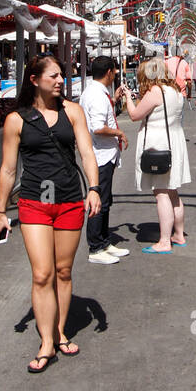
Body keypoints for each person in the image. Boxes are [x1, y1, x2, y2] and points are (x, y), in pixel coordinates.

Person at [0, 55, 101, 372]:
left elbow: (86, 152)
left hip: (69, 200)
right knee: (42, 273)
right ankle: (46, 343)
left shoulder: (73, 112)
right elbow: (8, 169)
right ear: (34, 79)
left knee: (63, 271)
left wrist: (93, 188)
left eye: (62, 75)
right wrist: (1, 211)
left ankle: (59, 331)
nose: (60, 80)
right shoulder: (17, 119)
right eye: (53, 76)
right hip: (33, 202)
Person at [118, 58, 190, 254]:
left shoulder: (155, 91)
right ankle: (179, 234)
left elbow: (134, 115)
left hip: (158, 143)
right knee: (173, 191)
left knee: (161, 193)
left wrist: (128, 97)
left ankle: (164, 241)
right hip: (174, 141)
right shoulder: (175, 91)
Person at [79, 55, 130, 264]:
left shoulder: (97, 93)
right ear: (109, 72)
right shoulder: (97, 95)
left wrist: (115, 100)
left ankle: (103, 241)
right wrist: (118, 132)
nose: (116, 74)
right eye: (115, 71)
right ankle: (96, 246)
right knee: (99, 201)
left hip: (103, 154)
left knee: (105, 200)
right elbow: (98, 127)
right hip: (100, 155)